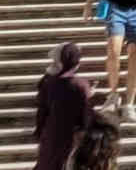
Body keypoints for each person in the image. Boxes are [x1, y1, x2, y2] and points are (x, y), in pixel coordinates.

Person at [37, 41, 100, 170]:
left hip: (51, 134)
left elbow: (42, 111)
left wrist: (40, 131)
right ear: (76, 63)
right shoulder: (81, 85)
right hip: (71, 137)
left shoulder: (48, 83)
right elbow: (86, 115)